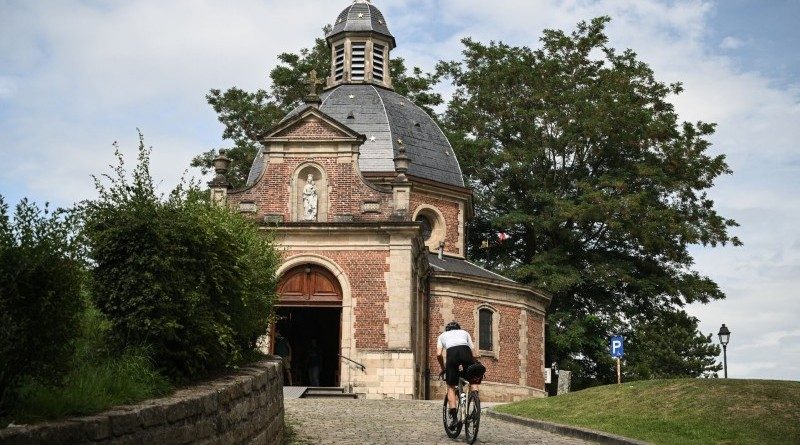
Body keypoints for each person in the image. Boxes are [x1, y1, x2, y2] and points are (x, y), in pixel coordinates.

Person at [437, 321, 477, 429]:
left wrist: (443, 368)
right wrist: (475, 364)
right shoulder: (464, 333)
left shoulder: (442, 336)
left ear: (447, 330)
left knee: (451, 386)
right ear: (458, 329)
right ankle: (475, 400)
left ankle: (454, 419)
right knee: (473, 379)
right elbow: (474, 354)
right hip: (466, 352)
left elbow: (438, 354)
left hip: (452, 355)